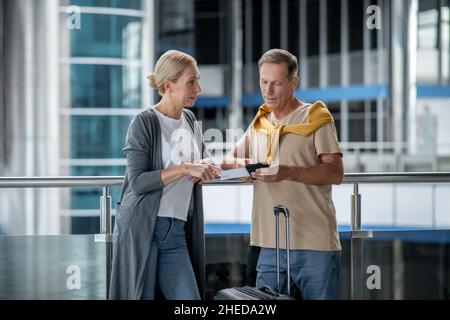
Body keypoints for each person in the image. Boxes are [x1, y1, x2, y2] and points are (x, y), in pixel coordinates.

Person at [224, 49, 343, 299]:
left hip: (316, 244)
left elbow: (335, 172)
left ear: (293, 82)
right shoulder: (260, 122)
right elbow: (228, 160)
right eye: (263, 82)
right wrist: (248, 166)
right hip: (270, 245)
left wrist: (287, 171)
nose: (268, 90)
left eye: (276, 83)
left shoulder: (317, 118)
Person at [109, 50, 221, 300]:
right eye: (191, 81)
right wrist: (184, 169)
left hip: (176, 231)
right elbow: (137, 183)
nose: (198, 88)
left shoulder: (190, 120)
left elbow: (203, 158)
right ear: (169, 85)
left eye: (198, 80)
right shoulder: (143, 122)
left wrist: (212, 166)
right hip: (144, 229)